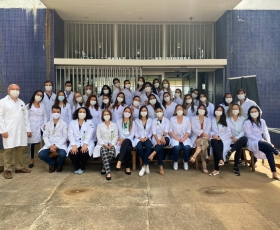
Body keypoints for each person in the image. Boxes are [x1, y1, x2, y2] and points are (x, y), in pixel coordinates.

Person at [0, 84, 31, 179]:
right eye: (14, 89)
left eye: (18, 89)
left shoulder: (21, 102)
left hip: (21, 130)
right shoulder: (3, 102)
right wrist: (3, 130)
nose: (16, 91)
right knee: (8, 150)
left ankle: (19, 167)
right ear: (8, 91)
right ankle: (7, 169)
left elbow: (26, 117)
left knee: (20, 149)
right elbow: (0, 117)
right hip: (8, 130)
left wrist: (28, 129)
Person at [243, 106, 280, 180]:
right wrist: (260, 140)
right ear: (249, 114)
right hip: (251, 141)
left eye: (255, 111)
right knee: (265, 144)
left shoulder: (262, 121)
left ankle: (274, 173)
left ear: (259, 112)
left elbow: (266, 133)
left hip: (262, 142)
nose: (254, 113)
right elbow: (249, 134)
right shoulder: (247, 122)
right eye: (252, 112)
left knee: (269, 151)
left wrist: (269, 142)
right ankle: (278, 153)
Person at [38, 106, 68, 173]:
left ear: (60, 113)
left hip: (60, 144)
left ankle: (60, 165)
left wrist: (57, 146)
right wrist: (50, 146)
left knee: (63, 154)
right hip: (50, 143)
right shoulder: (48, 124)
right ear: (51, 113)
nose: (56, 113)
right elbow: (45, 136)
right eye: (54, 112)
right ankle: (53, 163)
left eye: (58, 112)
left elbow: (65, 136)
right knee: (41, 154)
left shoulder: (64, 124)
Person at [67, 107, 95, 175]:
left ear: (86, 113)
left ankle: (82, 168)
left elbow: (90, 134)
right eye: (80, 112)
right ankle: (77, 167)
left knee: (84, 153)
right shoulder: (72, 122)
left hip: (86, 142)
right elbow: (70, 134)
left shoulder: (89, 122)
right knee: (72, 153)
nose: (82, 113)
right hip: (75, 142)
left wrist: (85, 144)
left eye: (84, 112)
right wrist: (73, 145)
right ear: (77, 113)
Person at [93, 109, 118, 180]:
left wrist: (112, 144)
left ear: (110, 115)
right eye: (105, 114)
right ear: (102, 116)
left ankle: (104, 167)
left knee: (111, 153)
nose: (106, 116)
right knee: (104, 151)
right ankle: (108, 173)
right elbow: (98, 136)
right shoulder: (99, 125)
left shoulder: (114, 125)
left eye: (108, 114)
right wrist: (104, 144)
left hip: (112, 144)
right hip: (102, 144)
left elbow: (116, 135)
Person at [225, 103, 248, 176]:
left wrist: (237, 138)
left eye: (236, 109)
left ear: (239, 110)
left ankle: (230, 152)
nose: (235, 110)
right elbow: (227, 130)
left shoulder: (243, 119)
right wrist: (232, 137)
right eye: (233, 109)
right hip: (230, 139)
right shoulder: (227, 119)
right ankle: (236, 167)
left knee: (244, 138)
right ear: (231, 110)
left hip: (240, 139)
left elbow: (243, 131)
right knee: (239, 148)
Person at [26, 90, 47, 168]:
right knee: (32, 144)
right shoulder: (28, 106)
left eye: (41, 95)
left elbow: (45, 115)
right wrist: (28, 129)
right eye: (38, 94)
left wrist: (45, 124)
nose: (39, 96)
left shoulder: (42, 105)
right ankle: (31, 160)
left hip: (41, 126)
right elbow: (26, 118)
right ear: (34, 95)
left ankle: (45, 157)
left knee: (45, 141)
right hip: (32, 127)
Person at [209, 106, 231, 176]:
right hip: (214, 138)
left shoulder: (226, 120)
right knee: (214, 142)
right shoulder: (211, 120)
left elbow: (229, 132)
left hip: (224, 139)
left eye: (220, 110)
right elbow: (209, 130)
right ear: (215, 111)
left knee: (217, 147)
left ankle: (216, 169)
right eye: (217, 110)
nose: (218, 111)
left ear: (222, 112)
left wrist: (220, 138)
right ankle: (220, 159)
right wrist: (213, 135)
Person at [190, 105, 211, 174]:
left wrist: (200, 137)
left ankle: (195, 155)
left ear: (205, 111)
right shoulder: (193, 119)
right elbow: (193, 129)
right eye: (200, 108)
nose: (201, 109)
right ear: (198, 109)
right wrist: (200, 136)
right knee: (203, 143)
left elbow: (207, 130)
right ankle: (204, 165)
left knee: (203, 140)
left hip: (203, 138)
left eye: (203, 108)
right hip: (195, 137)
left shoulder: (208, 120)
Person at [148, 107, 170, 175]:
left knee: (162, 143)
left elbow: (166, 129)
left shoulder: (166, 120)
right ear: (155, 113)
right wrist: (157, 140)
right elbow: (154, 131)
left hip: (165, 137)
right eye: (157, 111)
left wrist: (163, 136)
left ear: (163, 112)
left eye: (160, 111)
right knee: (160, 147)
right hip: (156, 137)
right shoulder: (154, 120)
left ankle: (153, 153)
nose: (159, 113)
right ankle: (161, 167)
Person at [169, 105, 192, 170]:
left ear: (183, 110)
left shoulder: (187, 119)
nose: (179, 110)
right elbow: (170, 130)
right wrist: (176, 138)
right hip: (175, 137)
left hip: (185, 137)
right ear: (175, 111)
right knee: (176, 148)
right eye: (177, 109)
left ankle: (185, 162)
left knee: (186, 147)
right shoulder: (172, 119)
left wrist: (184, 138)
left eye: (180, 109)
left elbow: (188, 130)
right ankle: (175, 162)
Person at [116, 107, 136, 175]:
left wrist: (124, 140)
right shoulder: (118, 121)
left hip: (129, 141)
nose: (127, 113)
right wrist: (119, 139)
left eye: (129, 112)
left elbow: (132, 135)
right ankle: (127, 167)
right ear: (123, 112)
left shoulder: (133, 123)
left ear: (131, 114)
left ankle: (119, 161)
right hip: (120, 141)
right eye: (126, 111)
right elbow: (116, 133)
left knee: (127, 141)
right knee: (128, 149)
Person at [134, 106, 153, 176]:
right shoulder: (136, 121)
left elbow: (151, 132)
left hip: (147, 138)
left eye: (145, 110)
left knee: (148, 146)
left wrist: (147, 137)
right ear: (140, 112)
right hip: (139, 138)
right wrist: (140, 138)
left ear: (147, 112)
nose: (144, 112)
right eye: (142, 110)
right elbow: (134, 132)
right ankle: (146, 164)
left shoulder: (150, 120)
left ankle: (144, 166)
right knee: (139, 148)